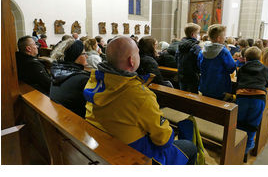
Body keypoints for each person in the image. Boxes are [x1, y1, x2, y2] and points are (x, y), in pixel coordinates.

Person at [83, 36, 197, 165]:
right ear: (131, 61)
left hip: (104, 143)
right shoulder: (139, 95)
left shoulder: (95, 81)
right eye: (137, 52)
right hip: (137, 155)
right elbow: (163, 140)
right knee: (190, 147)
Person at [236, 46, 268, 154]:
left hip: (242, 97)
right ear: (260, 57)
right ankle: (247, 148)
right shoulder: (265, 69)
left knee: (239, 122)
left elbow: (238, 81)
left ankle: (237, 148)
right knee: (252, 124)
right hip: (258, 98)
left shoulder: (242, 68)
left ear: (246, 58)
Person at [50, 39, 90, 118]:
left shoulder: (57, 71)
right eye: (84, 53)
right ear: (75, 56)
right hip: (78, 122)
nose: (87, 56)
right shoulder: (82, 79)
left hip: (63, 117)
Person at [198, 24, 236, 100]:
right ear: (219, 38)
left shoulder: (202, 51)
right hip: (219, 87)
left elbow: (199, 65)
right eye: (224, 35)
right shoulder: (224, 52)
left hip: (205, 85)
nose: (225, 38)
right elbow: (232, 68)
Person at [176, 23, 202, 93]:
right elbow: (199, 61)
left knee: (182, 94)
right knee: (193, 96)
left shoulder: (180, 45)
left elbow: (176, 58)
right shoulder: (196, 47)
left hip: (181, 74)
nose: (199, 35)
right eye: (198, 33)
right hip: (192, 76)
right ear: (193, 35)